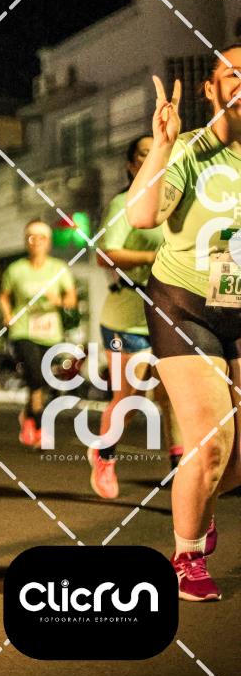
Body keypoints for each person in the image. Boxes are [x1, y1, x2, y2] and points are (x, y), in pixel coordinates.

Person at [127, 47, 241, 602]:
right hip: (184, 304)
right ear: (211, 90)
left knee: (234, 459)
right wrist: (163, 145)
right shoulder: (191, 151)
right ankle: (186, 557)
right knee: (210, 441)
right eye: (231, 74)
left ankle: (202, 502)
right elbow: (143, 215)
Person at [89, 136, 183, 499]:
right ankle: (105, 455)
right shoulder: (123, 203)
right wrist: (153, 258)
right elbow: (105, 255)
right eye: (143, 154)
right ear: (131, 166)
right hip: (127, 317)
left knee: (171, 396)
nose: (152, 157)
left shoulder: (175, 202)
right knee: (129, 396)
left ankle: (179, 469)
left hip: (169, 313)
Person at [0, 219, 77, 448]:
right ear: (26, 241)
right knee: (34, 374)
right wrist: (7, 314)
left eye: (42, 238)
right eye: (31, 238)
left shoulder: (59, 269)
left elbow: (71, 300)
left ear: (49, 242)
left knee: (43, 380)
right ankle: (41, 428)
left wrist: (59, 300)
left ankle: (28, 415)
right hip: (23, 330)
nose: (36, 242)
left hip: (50, 333)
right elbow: (4, 296)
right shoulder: (16, 269)